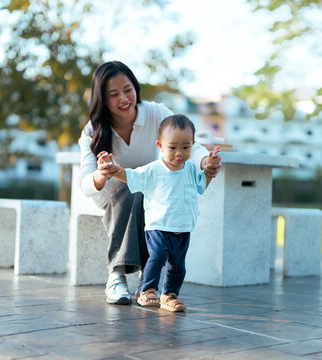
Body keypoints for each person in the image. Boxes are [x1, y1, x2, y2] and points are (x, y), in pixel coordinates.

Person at [78, 61, 221, 305]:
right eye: (114, 94)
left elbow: (189, 142)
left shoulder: (155, 113)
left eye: (128, 89)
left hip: (149, 190)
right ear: (102, 98)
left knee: (152, 196)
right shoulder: (93, 130)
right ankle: (117, 274)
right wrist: (103, 174)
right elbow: (85, 183)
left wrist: (204, 162)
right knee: (130, 188)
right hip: (114, 192)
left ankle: (148, 284)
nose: (124, 98)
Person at [97, 114, 221, 311]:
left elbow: (201, 186)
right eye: (172, 148)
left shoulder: (189, 169)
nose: (179, 153)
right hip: (158, 226)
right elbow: (131, 176)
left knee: (178, 265)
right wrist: (112, 169)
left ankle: (170, 294)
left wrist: (209, 171)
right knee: (157, 257)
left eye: (185, 147)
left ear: (193, 145)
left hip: (182, 227)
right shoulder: (154, 169)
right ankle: (147, 290)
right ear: (160, 145)